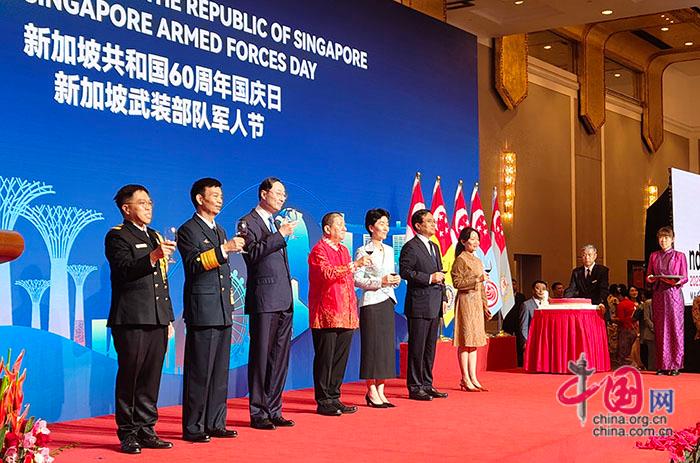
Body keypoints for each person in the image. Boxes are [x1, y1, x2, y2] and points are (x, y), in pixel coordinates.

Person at [105, 184, 176, 454]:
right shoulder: (117, 236)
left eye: (150, 202)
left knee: (151, 377)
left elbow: (162, 282)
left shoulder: (155, 235)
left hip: (157, 318)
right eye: (142, 203)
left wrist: (168, 317)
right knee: (131, 376)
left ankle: (147, 429)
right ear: (126, 208)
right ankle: (128, 433)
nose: (148, 207)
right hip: (131, 319)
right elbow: (124, 270)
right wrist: (154, 256)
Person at [178, 178, 244, 442]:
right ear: (199, 198)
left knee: (219, 371)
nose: (220, 199)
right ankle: (194, 427)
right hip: (203, 309)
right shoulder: (188, 230)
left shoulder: (220, 229)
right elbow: (194, 264)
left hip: (223, 309)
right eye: (214, 195)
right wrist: (224, 249)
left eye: (221, 195)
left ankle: (216, 423)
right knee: (200, 371)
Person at [239, 177, 297, 430]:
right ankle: (258, 412)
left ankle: (274, 409)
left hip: (283, 299)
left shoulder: (275, 223)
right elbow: (252, 254)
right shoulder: (247, 222)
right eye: (278, 192)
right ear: (264, 194)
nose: (282, 197)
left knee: (279, 358)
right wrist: (280, 235)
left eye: (285, 194)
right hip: (264, 299)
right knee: (261, 356)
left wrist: (279, 232)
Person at [308, 212, 371, 416]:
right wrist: (355, 265)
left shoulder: (343, 249)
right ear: (328, 229)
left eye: (344, 225)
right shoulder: (319, 250)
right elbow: (328, 273)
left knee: (340, 358)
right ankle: (323, 400)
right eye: (340, 225)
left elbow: (348, 280)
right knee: (325, 358)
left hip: (346, 312)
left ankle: (334, 396)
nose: (344, 228)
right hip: (326, 313)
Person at [399, 209, 448, 401]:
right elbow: (405, 272)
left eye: (434, 221)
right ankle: (415, 386)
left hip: (435, 303)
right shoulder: (410, 247)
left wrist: (444, 298)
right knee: (417, 347)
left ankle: (427, 384)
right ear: (418, 225)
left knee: (429, 348)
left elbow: (440, 274)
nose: (434, 224)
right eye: (429, 221)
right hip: (419, 304)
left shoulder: (434, 246)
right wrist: (428, 278)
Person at [354, 209, 401, 408]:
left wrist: (394, 280)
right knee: (372, 347)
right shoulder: (363, 251)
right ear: (371, 227)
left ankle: (381, 389)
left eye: (387, 224)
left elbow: (391, 275)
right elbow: (357, 279)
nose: (386, 228)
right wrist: (380, 281)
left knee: (385, 348)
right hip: (371, 303)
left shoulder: (389, 250)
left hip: (387, 300)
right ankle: (371, 390)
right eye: (381, 224)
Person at [451, 227, 491, 392]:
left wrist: (485, 305)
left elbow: (482, 287)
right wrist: (477, 279)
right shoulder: (460, 259)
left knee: (474, 343)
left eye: (477, 239)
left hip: (476, 304)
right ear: (463, 241)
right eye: (472, 239)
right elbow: (457, 283)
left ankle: (473, 377)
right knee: (465, 341)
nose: (476, 242)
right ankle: (465, 377)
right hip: (466, 302)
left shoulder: (478, 260)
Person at [646, 226, 688, 376]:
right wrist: (651, 278)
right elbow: (648, 275)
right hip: (659, 295)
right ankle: (662, 365)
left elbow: (685, 277)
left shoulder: (679, 256)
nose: (663, 240)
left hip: (674, 295)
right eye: (661, 238)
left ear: (672, 239)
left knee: (675, 329)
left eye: (666, 237)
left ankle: (675, 365)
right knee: (660, 330)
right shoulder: (654, 256)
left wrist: (676, 281)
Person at [564, 245, 609, 316]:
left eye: (589, 255)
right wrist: (565, 300)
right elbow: (571, 289)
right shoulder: (576, 272)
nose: (587, 258)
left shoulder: (602, 270)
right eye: (584, 255)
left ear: (595, 256)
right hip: (582, 308)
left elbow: (603, 289)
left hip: (598, 306)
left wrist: (601, 302)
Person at [519, 280, 548, 360]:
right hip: (532, 340)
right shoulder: (526, 305)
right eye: (538, 288)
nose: (541, 291)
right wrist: (525, 342)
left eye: (543, 289)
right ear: (533, 290)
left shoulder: (548, 304)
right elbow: (523, 326)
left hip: (544, 341)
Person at [615, 287, 638, 367]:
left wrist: (612, 319)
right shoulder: (632, 303)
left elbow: (621, 319)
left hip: (625, 329)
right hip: (633, 329)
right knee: (629, 351)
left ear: (620, 295)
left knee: (623, 353)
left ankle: (629, 367)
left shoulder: (621, 305)